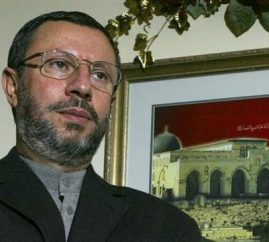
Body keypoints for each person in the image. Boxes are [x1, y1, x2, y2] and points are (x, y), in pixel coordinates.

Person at [0, 11, 201, 242]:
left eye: (99, 74)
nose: (83, 86)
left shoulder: (168, 228)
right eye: (60, 64)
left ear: (111, 103)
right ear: (13, 86)